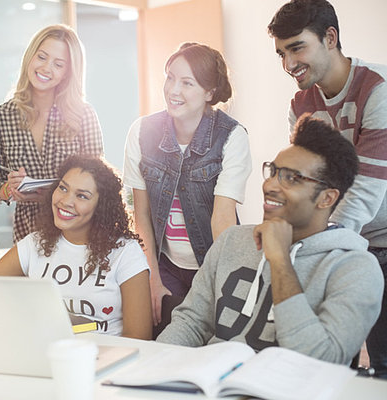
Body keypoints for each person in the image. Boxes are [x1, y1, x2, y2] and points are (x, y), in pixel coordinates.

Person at [157, 115, 383, 365]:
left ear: (327, 198)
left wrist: (280, 261)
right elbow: (191, 323)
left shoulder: (356, 269)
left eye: (291, 178)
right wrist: (152, 369)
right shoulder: (232, 240)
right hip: (211, 384)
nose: (270, 185)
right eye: (273, 172)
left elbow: (320, 359)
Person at [268, 0, 387, 375]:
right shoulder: (301, 103)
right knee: (330, 365)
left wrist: (315, 246)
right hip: (336, 241)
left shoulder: (377, 89)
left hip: (379, 239)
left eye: (297, 47)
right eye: (281, 53)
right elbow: (302, 182)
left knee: (382, 365)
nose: (288, 64)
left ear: (330, 38)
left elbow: (366, 191)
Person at [123, 42, 252, 333]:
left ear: (209, 93)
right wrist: (151, 277)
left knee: (210, 341)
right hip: (164, 263)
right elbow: (140, 213)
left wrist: (219, 281)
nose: (173, 90)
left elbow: (223, 219)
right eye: (170, 77)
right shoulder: (142, 132)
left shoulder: (232, 136)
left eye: (186, 83)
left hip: (211, 262)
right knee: (161, 336)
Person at [0, 155, 152, 340]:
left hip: (105, 359)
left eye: (82, 196)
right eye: (63, 188)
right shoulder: (34, 244)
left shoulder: (125, 252)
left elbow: (139, 337)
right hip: (45, 357)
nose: (65, 201)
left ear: (101, 206)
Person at [0, 24, 104, 244]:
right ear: (30, 57)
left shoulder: (83, 114)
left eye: (58, 64)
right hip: (28, 230)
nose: (47, 68)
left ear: (68, 72)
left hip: (76, 228)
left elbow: (99, 178)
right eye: (42, 57)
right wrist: (9, 189)